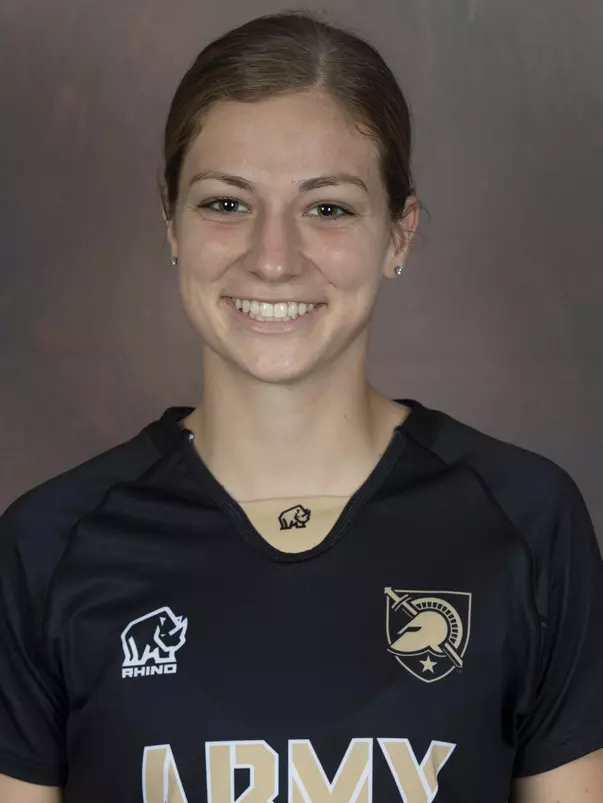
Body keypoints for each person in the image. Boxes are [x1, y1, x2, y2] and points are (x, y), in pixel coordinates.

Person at [1, 9, 602, 803]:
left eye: (328, 208)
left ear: (398, 234)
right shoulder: (50, 545)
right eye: (226, 203)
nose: (273, 258)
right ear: (170, 223)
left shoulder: (526, 521)